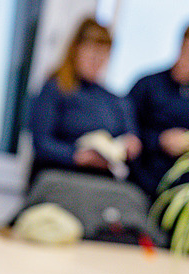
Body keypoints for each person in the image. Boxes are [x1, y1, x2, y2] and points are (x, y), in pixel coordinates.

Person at [28, 17, 141, 186]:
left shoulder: (115, 100)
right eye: (92, 52)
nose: (97, 60)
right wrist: (77, 156)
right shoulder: (55, 89)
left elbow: (131, 137)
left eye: (103, 54)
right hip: (59, 181)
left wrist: (130, 146)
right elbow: (42, 144)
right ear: (76, 49)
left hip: (101, 186)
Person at [127, 23, 189, 201]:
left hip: (180, 192)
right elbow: (125, 130)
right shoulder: (147, 85)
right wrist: (160, 141)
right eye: (186, 49)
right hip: (140, 183)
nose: (188, 58)